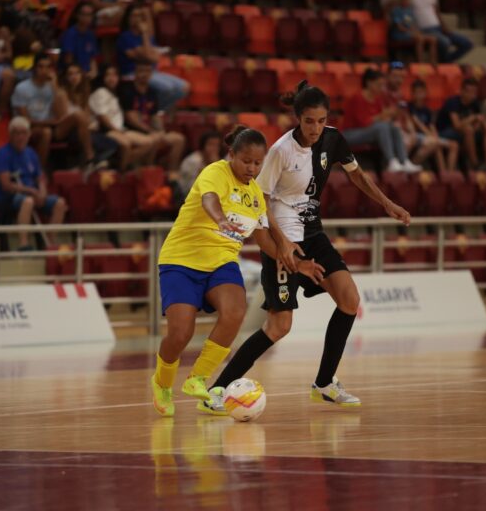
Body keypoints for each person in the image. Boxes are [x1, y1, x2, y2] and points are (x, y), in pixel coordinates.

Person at [200, 81, 411, 415]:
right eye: (309, 121)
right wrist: (283, 247)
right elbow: (260, 204)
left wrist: (387, 203)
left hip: (313, 233)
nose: (315, 127)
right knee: (279, 327)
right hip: (283, 235)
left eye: (321, 120)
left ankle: (324, 383)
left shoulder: (333, 138)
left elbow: (357, 176)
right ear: (298, 118)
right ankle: (217, 390)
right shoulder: (281, 152)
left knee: (349, 300)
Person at [151, 125, 324, 417]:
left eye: (258, 163)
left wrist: (297, 263)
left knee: (235, 312)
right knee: (181, 334)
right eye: (246, 161)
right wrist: (219, 220)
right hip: (181, 260)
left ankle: (197, 379)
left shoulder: (256, 194)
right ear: (231, 155)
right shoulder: (214, 172)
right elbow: (210, 201)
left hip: (221, 261)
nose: (252, 168)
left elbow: (264, 240)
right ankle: (162, 382)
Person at [0, 116, 67, 250]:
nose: (20, 137)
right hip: (5, 197)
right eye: (16, 133)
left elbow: (40, 177)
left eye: (24, 133)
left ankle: (49, 242)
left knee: (59, 203)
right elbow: (6, 185)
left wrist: (42, 191)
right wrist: (30, 191)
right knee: (28, 201)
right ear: (10, 135)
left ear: (29, 135)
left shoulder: (31, 153)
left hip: (30, 193)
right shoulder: (2, 154)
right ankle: (23, 244)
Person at [11, 52, 95, 171]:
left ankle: (90, 159)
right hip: (31, 128)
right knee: (46, 132)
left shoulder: (53, 87)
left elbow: (61, 114)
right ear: (34, 68)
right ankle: (39, 172)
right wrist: (51, 123)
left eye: (47, 67)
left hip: (53, 127)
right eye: (41, 66)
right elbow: (26, 120)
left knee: (79, 116)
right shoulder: (22, 88)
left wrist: (55, 88)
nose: (44, 70)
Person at [342, 68, 420, 173]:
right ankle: (391, 161)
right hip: (350, 134)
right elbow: (364, 122)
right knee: (382, 127)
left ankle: (404, 161)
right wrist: (383, 115)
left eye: (383, 85)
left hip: (369, 132)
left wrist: (392, 115)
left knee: (393, 127)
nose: (382, 88)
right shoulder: (358, 98)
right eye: (379, 85)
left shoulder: (377, 99)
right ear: (369, 83)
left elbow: (381, 119)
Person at [116, 3, 188, 112]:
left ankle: (156, 110)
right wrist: (145, 34)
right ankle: (152, 111)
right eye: (134, 16)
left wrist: (145, 43)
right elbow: (148, 56)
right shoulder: (125, 37)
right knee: (167, 88)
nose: (138, 19)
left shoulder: (148, 37)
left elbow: (154, 58)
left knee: (184, 87)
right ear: (128, 18)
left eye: (140, 16)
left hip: (152, 72)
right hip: (133, 73)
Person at [119, 56, 185, 173]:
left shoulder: (152, 92)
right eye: (141, 71)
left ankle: (171, 173)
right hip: (132, 131)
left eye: (147, 71)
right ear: (135, 72)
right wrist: (150, 131)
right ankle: (148, 170)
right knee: (153, 139)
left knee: (178, 139)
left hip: (150, 131)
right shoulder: (127, 90)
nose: (144, 74)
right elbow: (130, 118)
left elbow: (154, 116)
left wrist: (160, 131)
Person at [89, 65, 159, 172]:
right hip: (106, 130)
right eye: (108, 75)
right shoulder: (100, 92)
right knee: (125, 144)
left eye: (114, 75)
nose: (112, 78)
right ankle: (122, 172)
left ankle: (119, 164)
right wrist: (116, 131)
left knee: (150, 142)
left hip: (121, 130)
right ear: (103, 77)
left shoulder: (116, 93)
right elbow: (102, 117)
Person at [58, 62, 118, 169]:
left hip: (84, 130)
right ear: (66, 77)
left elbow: (88, 117)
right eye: (70, 74)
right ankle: (90, 158)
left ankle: (95, 163)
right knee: (78, 116)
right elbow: (62, 118)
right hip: (67, 130)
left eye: (77, 73)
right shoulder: (61, 93)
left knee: (112, 144)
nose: (74, 77)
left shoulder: (84, 93)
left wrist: (90, 124)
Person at [435, 78, 486, 171]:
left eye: (474, 92)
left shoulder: (475, 103)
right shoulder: (452, 102)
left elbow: (477, 122)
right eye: (469, 92)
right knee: (468, 129)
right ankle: (475, 164)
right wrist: (472, 118)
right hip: (445, 131)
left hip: (465, 131)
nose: (472, 95)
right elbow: (456, 125)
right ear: (462, 91)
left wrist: (479, 123)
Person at [409, 79, 459, 172]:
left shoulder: (427, 110)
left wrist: (435, 135)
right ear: (412, 93)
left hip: (429, 136)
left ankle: (449, 173)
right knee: (435, 144)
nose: (420, 94)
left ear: (425, 92)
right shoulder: (410, 107)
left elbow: (432, 125)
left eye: (422, 92)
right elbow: (418, 124)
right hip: (418, 135)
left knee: (454, 145)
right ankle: (442, 173)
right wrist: (432, 136)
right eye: (417, 92)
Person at [384, 0, 437, 64]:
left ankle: (433, 63)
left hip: (408, 33)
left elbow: (409, 24)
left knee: (433, 39)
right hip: (399, 34)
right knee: (420, 39)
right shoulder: (396, 11)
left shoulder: (408, 11)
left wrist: (415, 31)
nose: (407, 2)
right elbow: (399, 27)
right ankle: (421, 63)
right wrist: (411, 32)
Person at [59, 1, 98, 81]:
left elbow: (92, 58)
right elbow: (68, 60)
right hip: (72, 75)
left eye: (89, 15)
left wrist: (94, 71)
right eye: (83, 14)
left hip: (87, 75)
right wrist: (80, 73)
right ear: (77, 15)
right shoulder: (70, 34)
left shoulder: (91, 35)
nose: (86, 17)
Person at [178, 131, 222, 196]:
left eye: (217, 145)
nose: (214, 149)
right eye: (211, 145)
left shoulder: (218, 161)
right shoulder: (193, 161)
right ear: (202, 146)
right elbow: (192, 187)